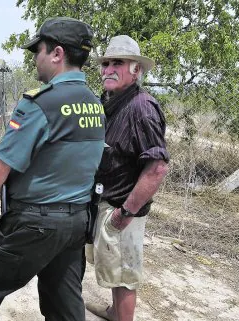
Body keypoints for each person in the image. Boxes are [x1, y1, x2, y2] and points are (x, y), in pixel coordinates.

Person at [0, 17, 105, 321]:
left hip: (35, 220)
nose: (35, 58)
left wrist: (15, 211)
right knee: (64, 300)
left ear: (56, 53)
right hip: (77, 221)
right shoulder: (95, 103)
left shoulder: (41, 103)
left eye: (37, 50)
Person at [84, 35, 170, 321]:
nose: (109, 68)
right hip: (106, 201)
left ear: (136, 70)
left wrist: (126, 212)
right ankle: (113, 313)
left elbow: (156, 168)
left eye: (118, 63)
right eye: (106, 63)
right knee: (113, 268)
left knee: (123, 278)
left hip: (122, 209)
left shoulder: (141, 107)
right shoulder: (110, 101)